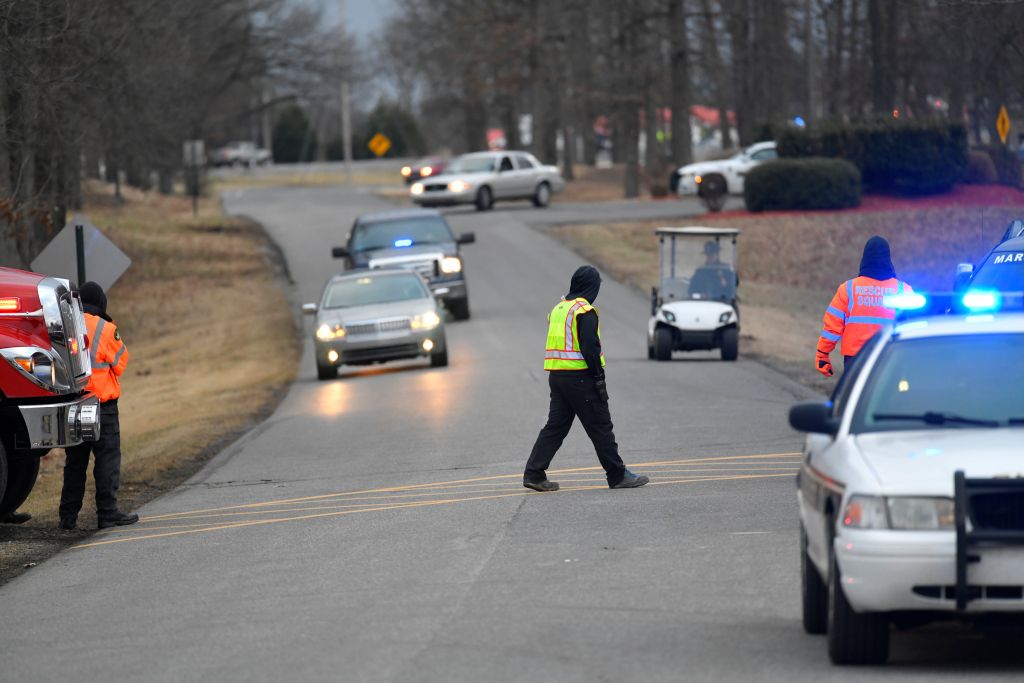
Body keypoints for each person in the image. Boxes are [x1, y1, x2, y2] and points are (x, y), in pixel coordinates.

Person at [523, 266, 649, 491]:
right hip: (580, 378)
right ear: (591, 287)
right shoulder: (584, 311)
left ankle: (534, 473)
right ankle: (618, 475)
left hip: (557, 377)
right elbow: (590, 349)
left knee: (555, 427)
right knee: (600, 426)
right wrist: (598, 377)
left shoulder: (559, 308)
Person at [59, 282, 138, 530]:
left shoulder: (66, 326)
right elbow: (121, 362)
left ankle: (67, 517)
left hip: (74, 405)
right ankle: (107, 513)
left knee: (75, 462)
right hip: (102, 406)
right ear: (101, 303)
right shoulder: (106, 329)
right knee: (106, 459)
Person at [816, 236, 913, 376]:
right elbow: (915, 326)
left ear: (864, 258)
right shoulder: (903, 290)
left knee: (856, 396)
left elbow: (832, 327)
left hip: (855, 358)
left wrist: (822, 354)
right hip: (890, 356)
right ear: (888, 258)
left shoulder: (848, 289)